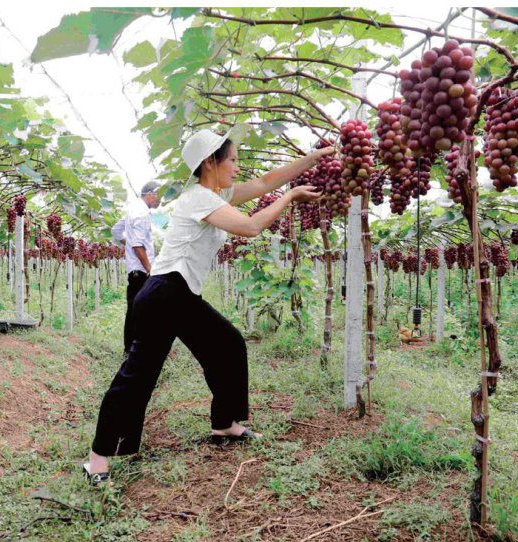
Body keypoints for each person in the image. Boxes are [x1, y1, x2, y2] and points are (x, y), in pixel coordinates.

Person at [84, 128, 333, 485]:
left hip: (180, 294)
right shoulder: (197, 198)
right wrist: (291, 195)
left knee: (228, 345)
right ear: (209, 163)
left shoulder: (217, 194)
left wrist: (310, 160)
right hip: (163, 295)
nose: (237, 166)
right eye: (232, 160)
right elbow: (251, 227)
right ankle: (98, 458)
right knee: (139, 375)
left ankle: (224, 425)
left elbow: (265, 182)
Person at [110, 180, 161, 355]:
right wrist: (149, 269)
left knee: (134, 308)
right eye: (159, 196)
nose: (160, 201)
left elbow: (115, 231)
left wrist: (128, 243)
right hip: (141, 270)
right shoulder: (141, 213)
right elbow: (138, 245)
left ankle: (131, 349)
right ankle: (133, 350)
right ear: (150, 194)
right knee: (140, 310)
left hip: (134, 270)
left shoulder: (133, 209)